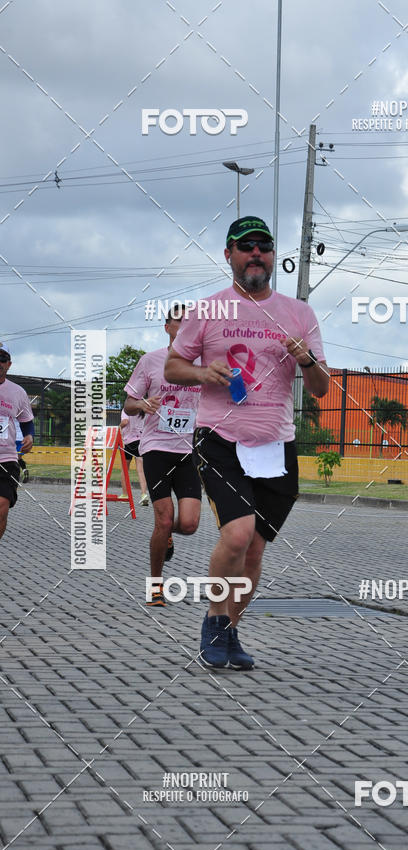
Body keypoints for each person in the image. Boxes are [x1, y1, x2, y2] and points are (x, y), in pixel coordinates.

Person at [165, 215, 329, 670]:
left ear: (273, 256)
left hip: (275, 444)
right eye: (245, 246)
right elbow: (173, 368)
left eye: (263, 246)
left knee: (255, 549)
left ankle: (231, 630)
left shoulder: (299, 313)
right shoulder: (209, 309)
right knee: (236, 536)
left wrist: (307, 359)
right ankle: (215, 622)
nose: (255, 253)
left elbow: (320, 388)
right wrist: (202, 372)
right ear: (229, 255)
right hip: (220, 437)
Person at [124, 308, 202, 606]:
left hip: (188, 451)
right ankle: (156, 587)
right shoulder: (150, 361)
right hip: (156, 447)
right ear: (167, 327)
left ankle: (166, 533)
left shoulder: (201, 363)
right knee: (164, 517)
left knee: (191, 524)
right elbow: (129, 404)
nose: (185, 325)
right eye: (179, 320)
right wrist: (143, 403)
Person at [0, 343, 34, 540]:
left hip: (6, 459)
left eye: (2, 359)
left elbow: (27, 422)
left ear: (9, 364)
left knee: (2, 508)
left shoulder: (17, 392)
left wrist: (29, 436)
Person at [119, 408, 149, 505]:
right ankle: (144, 494)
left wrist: (118, 428)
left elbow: (125, 421)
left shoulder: (127, 410)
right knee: (141, 470)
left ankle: (125, 494)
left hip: (128, 442)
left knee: (125, 469)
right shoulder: (142, 410)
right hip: (140, 441)